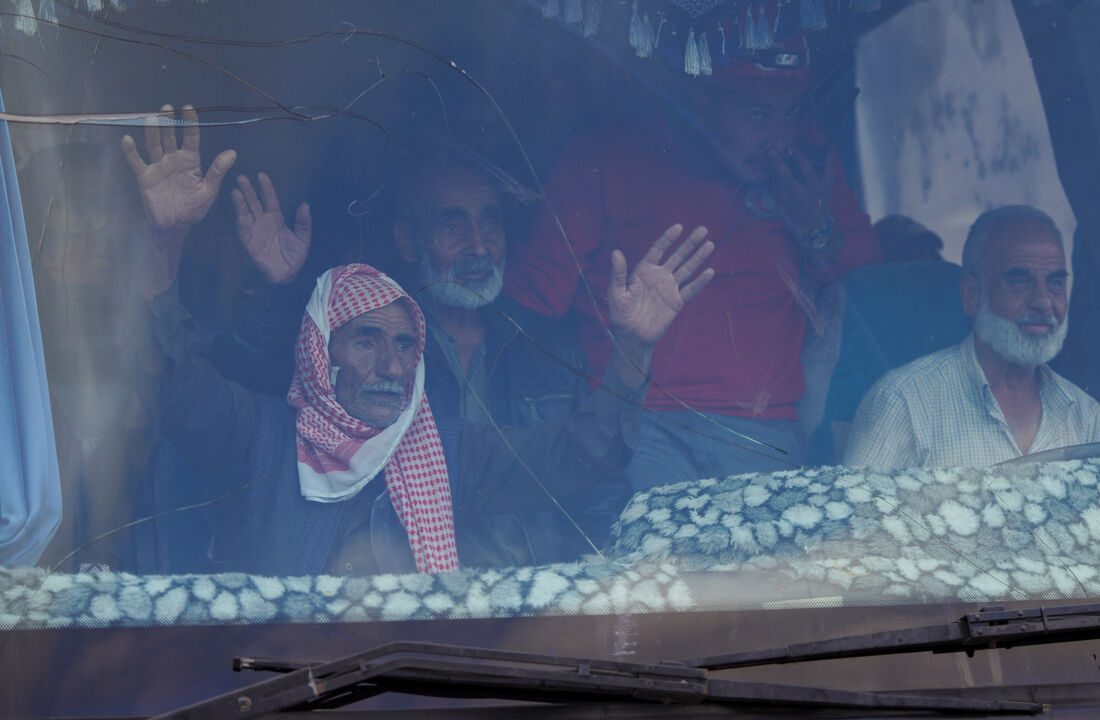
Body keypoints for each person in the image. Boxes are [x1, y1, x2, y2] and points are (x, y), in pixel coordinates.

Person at [124, 106, 714, 574]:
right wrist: (164, 241)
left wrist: (634, 347)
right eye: (366, 342)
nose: (391, 365)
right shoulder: (266, 437)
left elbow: (589, 456)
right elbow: (174, 385)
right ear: (320, 354)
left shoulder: (448, 447)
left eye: (407, 346)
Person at [505, 42, 882, 492]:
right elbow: (530, 303)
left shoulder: (805, 163)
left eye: (792, 116)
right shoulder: (604, 156)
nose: (779, 139)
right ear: (702, 103)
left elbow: (869, 282)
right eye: (759, 116)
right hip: (638, 426)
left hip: (762, 429)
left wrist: (814, 223)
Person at [842, 205, 1100, 470]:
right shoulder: (903, 403)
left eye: (1055, 283)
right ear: (972, 296)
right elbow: (857, 517)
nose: (1044, 302)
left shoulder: (1085, 417)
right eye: (1020, 282)